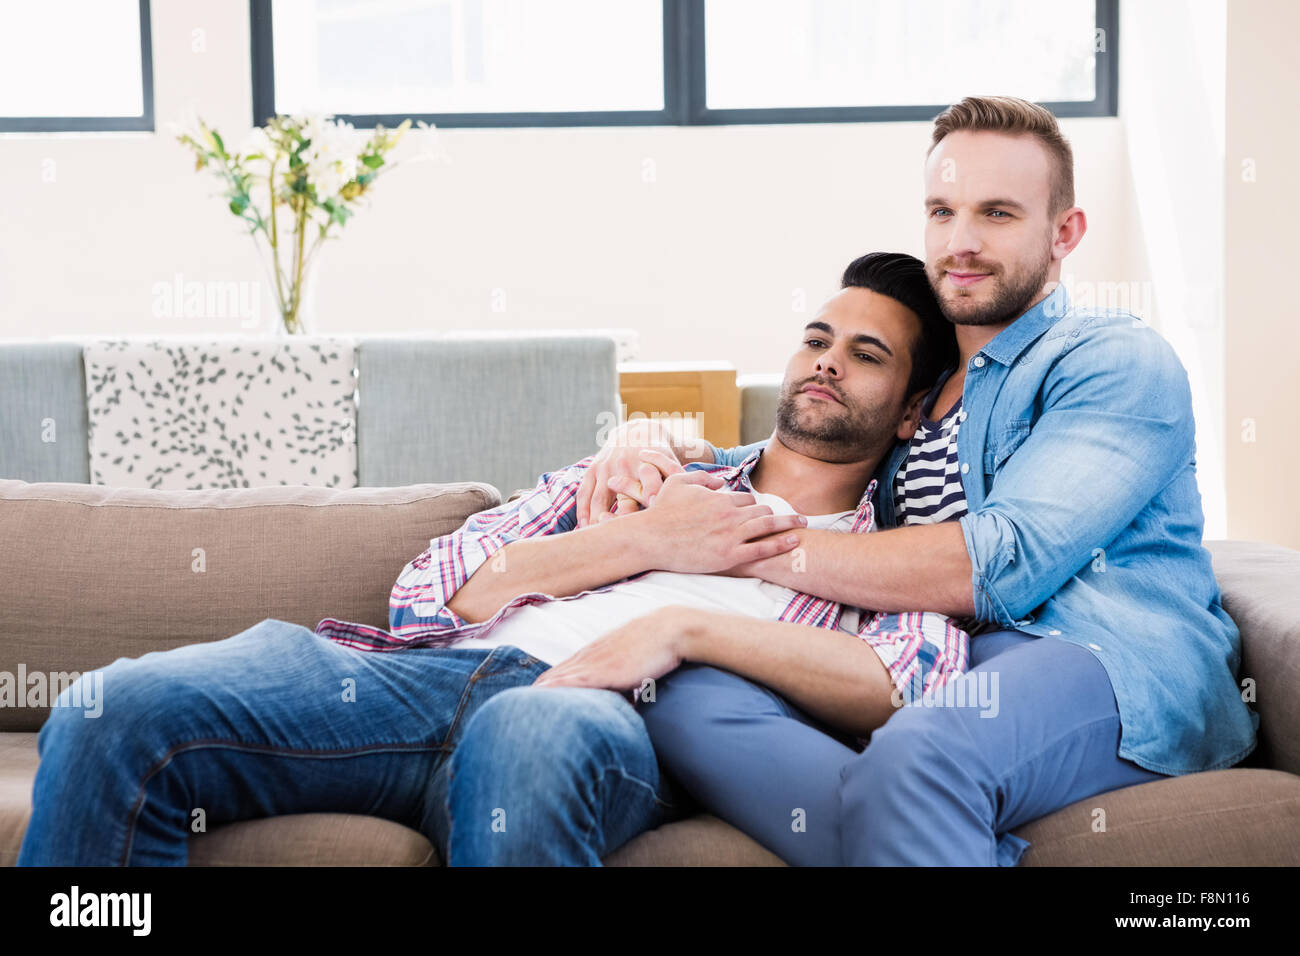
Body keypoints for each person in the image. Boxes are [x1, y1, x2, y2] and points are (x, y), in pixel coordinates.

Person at [17, 252, 957, 866]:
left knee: (528, 731)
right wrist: (645, 540)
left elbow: (897, 686)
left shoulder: (892, 556)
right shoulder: (639, 471)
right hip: (416, 684)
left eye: (866, 355)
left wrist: (682, 625)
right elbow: (433, 594)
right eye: (816, 339)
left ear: (915, 409)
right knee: (114, 707)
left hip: (599, 717)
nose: (826, 362)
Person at [577, 95, 1258, 866]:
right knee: (682, 691)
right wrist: (647, 435)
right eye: (942, 212)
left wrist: (732, 544)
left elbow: (997, 564)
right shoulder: (913, 394)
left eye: (997, 214)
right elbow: (783, 460)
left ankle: (916, 801)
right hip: (928, 674)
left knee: (920, 758)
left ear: (1064, 232)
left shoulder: (1110, 360)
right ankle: (922, 830)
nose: (960, 243)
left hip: (1099, 660)